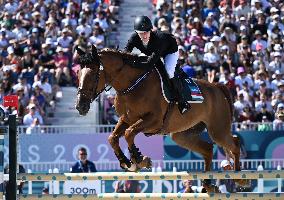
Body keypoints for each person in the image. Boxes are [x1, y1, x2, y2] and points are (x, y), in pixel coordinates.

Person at [124, 16, 190, 114]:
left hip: (169, 51)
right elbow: (125, 53)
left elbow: (150, 63)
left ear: (150, 30)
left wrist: (133, 63)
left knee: (168, 71)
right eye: (141, 33)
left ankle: (182, 101)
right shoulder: (134, 38)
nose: (144, 36)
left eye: (146, 32)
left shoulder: (158, 39)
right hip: (152, 53)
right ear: (136, 33)